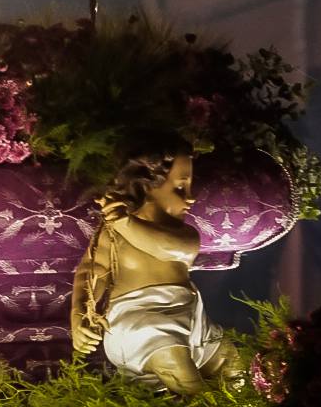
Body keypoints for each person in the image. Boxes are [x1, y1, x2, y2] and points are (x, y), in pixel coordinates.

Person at [71, 138, 243, 394]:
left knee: (232, 365)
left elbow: (168, 248)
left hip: (190, 318)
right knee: (185, 379)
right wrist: (79, 317)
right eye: (181, 187)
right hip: (139, 324)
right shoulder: (112, 232)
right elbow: (91, 272)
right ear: (148, 186)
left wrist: (125, 224)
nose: (191, 197)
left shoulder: (184, 235)